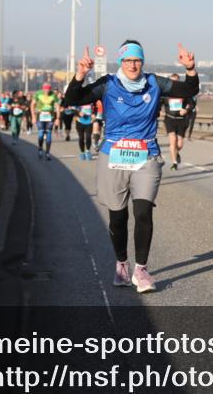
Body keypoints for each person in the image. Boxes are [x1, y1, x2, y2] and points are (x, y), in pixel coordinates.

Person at [64, 43, 199, 293]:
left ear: (142, 62)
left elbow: (190, 89)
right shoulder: (107, 84)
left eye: (137, 60)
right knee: (118, 216)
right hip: (113, 154)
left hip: (146, 154)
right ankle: (122, 264)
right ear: (120, 63)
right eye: (127, 61)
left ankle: (141, 269)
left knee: (143, 210)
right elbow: (71, 99)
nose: (133, 65)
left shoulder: (154, 83)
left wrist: (190, 68)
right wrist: (80, 74)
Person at [161, 73, 193, 170]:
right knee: (173, 140)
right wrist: (159, 111)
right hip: (169, 118)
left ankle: (176, 152)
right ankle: (174, 163)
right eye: (172, 81)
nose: (174, 83)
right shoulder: (165, 93)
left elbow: (190, 103)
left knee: (179, 144)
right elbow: (158, 104)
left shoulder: (184, 92)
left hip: (181, 120)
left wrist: (186, 110)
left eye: (176, 81)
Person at [30, 82, 59, 161]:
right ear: (43, 89)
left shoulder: (53, 95)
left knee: (49, 133)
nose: (47, 91)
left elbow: (57, 107)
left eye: (48, 90)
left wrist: (57, 118)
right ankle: (40, 149)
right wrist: (33, 117)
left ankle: (47, 152)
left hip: (50, 117)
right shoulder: (38, 94)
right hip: (40, 116)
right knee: (41, 133)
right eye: (45, 89)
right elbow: (32, 105)